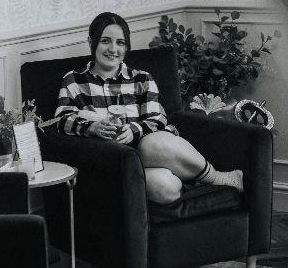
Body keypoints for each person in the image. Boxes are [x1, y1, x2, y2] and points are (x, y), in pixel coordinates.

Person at [54, 11, 243, 204]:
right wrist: (92, 127)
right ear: (91, 41)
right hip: (114, 161)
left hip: (149, 151)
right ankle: (190, 178)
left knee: (151, 144)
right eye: (105, 41)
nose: (113, 49)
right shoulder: (74, 80)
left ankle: (216, 177)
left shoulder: (141, 79)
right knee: (165, 187)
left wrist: (133, 130)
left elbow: (157, 119)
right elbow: (61, 119)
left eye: (120, 43)